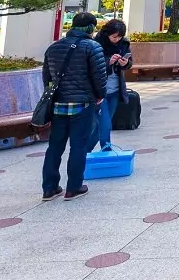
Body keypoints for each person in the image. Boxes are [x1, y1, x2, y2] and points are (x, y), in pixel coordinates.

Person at [41, 12, 107, 202]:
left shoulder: (54, 47)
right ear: (91, 27)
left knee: (54, 146)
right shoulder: (92, 47)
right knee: (79, 145)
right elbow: (99, 77)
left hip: (58, 104)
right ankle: (74, 187)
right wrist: (100, 95)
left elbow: (47, 77)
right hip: (82, 104)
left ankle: (49, 188)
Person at [91, 19, 131, 152]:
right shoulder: (96, 44)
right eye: (114, 37)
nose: (117, 40)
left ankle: (85, 151)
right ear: (107, 33)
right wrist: (108, 61)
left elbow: (130, 63)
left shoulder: (124, 43)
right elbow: (92, 66)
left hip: (115, 89)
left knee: (101, 125)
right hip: (100, 90)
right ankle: (106, 150)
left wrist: (125, 63)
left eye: (119, 37)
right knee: (106, 123)